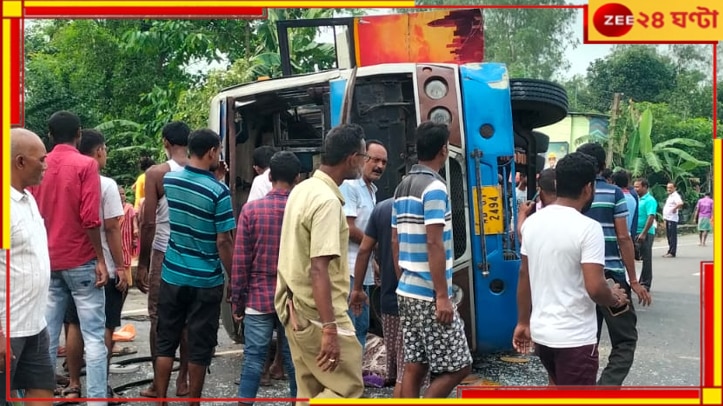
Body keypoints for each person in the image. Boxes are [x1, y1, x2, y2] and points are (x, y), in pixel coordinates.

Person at [512, 152, 630, 386]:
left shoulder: (533, 223)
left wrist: (523, 322)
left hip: (542, 333)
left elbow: (524, 275)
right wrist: (615, 298)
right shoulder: (589, 228)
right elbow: (595, 288)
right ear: (588, 188)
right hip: (574, 338)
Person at [275, 123, 367, 399]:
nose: (364, 163)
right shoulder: (327, 201)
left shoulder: (303, 189)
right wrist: (330, 328)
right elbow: (319, 268)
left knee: (309, 391)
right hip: (318, 315)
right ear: (351, 158)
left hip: (294, 308)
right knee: (347, 390)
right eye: (363, 157)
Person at [28, 111, 109, 402]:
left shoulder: (39, 165)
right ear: (79, 134)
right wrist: (100, 259)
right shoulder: (86, 165)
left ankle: (42, 397)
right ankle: (97, 399)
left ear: (49, 135)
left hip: (47, 261)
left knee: (46, 337)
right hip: (80, 260)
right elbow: (90, 218)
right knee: (94, 337)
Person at [154, 128, 236, 405]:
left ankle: (161, 398)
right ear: (212, 152)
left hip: (173, 273)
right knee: (200, 347)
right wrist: (235, 278)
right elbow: (223, 241)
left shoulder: (170, 181)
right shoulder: (219, 192)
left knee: (166, 341)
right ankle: (193, 401)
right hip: (205, 281)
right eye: (219, 150)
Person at [392, 121, 473, 398]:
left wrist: (403, 277)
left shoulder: (403, 186)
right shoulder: (435, 188)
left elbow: (395, 239)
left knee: (416, 362)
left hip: (407, 289)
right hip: (428, 293)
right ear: (444, 149)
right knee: (460, 366)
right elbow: (434, 241)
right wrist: (442, 295)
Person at [577, 143, 651, 386]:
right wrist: (633, 280)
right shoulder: (614, 193)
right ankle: (606, 388)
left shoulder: (569, 195)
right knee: (625, 340)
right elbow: (623, 238)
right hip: (612, 278)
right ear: (602, 166)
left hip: (582, 277)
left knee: (588, 339)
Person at [63, 129, 128, 400]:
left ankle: (74, 383)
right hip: (101, 266)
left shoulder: (64, 180)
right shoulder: (105, 184)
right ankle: (99, 387)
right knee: (103, 327)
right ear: (99, 151)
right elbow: (112, 228)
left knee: (74, 324)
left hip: (68, 262)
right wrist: (122, 267)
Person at [232, 151, 301, 404]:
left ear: (269, 175)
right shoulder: (301, 211)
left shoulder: (250, 211)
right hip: (294, 298)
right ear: (297, 178)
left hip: (258, 297)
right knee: (294, 362)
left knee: (253, 360)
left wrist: (237, 302)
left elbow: (241, 262)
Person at [135, 121, 191, 398]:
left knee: (159, 317)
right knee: (189, 319)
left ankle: (160, 385)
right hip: (194, 253)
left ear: (165, 142)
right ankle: (184, 380)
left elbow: (148, 224)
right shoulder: (202, 171)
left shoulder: (157, 173)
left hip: (164, 252)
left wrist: (142, 264)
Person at [0, 128, 54, 405]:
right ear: (20, 162)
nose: (46, 165)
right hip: (7, 329)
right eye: (41, 159)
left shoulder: (27, 199)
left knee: (42, 392)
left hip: (34, 324)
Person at [340, 139, 388, 349]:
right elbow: (349, 228)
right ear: (362, 159)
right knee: (353, 328)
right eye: (374, 160)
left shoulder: (371, 190)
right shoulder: (350, 187)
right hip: (350, 270)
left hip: (363, 269)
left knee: (360, 327)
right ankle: (351, 378)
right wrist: (376, 245)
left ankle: (354, 376)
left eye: (384, 162)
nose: (379, 166)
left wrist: (374, 263)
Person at [633, 178, 657, 292]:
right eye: (635, 186)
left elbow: (651, 216)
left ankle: (646, 283)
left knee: (646, 259)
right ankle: (637, 280)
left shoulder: (650, 200)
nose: (635, 189)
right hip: (634, 231)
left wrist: (644, 233)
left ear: (645, 187)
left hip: (645, 233)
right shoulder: (637, 199)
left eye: (638, 187)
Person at [612, 170, 639, 241]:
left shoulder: (616, 197)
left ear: (613, 183)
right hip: (628, 235)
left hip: (616, 237)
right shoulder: (632, 198)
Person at [662, 182, 684, 258]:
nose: (669, 189)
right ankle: (670, 250)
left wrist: (674, 209)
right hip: (668, 218)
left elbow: (680, 203)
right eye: (668, 187)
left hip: (672, 219)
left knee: (672, 236)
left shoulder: (676, 196)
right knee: (669, 236)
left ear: (675, 188)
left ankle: (672, 252)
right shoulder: (670, 196)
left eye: (670, 188)